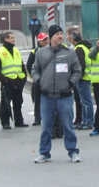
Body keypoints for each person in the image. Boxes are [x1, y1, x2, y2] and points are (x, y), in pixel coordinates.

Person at [31, 25, 82, 163]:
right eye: (57, 34)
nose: (60, 36)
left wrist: (71, 83)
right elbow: (34, 70)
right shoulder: (41, 53)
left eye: (61, 34)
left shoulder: (69, 53)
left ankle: (73, 152)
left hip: (64, 96)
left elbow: (77, 71)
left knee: (68, 125)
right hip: (47, 96)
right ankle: (44, 153)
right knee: (46, 126)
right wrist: (38, 81)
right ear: (51, 36)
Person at [0, 31, 29, 129]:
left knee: (18, 102)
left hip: (18, 80)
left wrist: (24, 77)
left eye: (14, 37)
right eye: (11, 38)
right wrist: (5, 81)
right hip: (8, 82)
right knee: (5, 103)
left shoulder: (16, 50)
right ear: (6, 39)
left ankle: (19, 121)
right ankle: (5, 122)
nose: (14, 39)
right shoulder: (0, 51)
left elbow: (21, 65)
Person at [70, 32, 93, 131]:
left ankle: (88, 122)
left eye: (70, 37)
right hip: (85, 77)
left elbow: (80, 65)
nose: (68, 39)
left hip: (83, 78)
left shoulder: (79, 48)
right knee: (84, 101)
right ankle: (85, 121)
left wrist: (77, 77)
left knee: (86, 101)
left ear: (74, 39)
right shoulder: (83, 47)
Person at [27, 33, 49, 125]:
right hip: (38, 79)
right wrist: (34, 76)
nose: (46, 41)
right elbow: (28, 65)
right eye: (44, 40)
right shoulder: (34, 51)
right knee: (37, 99)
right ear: (39, 41)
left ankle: (48, 117)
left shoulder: (52, 50)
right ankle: (37, 118)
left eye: (47, 39)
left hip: (48, 79)